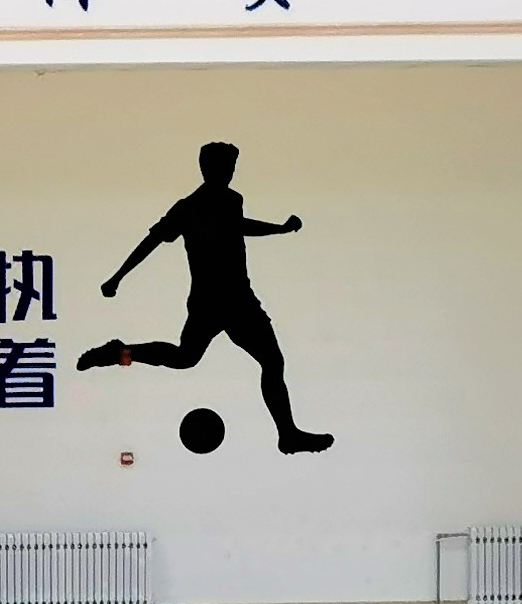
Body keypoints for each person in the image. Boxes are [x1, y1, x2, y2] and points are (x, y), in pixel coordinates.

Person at [73, 142, 332, 453]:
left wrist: (279, 229)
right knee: (200, 358)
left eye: (232, 167)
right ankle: (119, 352)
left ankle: (288, 434)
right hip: (219, 300)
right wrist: (118, 276)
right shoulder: (188, 207)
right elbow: (152, 241)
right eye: (226, 167)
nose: (230, 173)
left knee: (244, 360)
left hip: (232, 298)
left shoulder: (230, 201)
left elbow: (239, 226)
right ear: (209, 168)